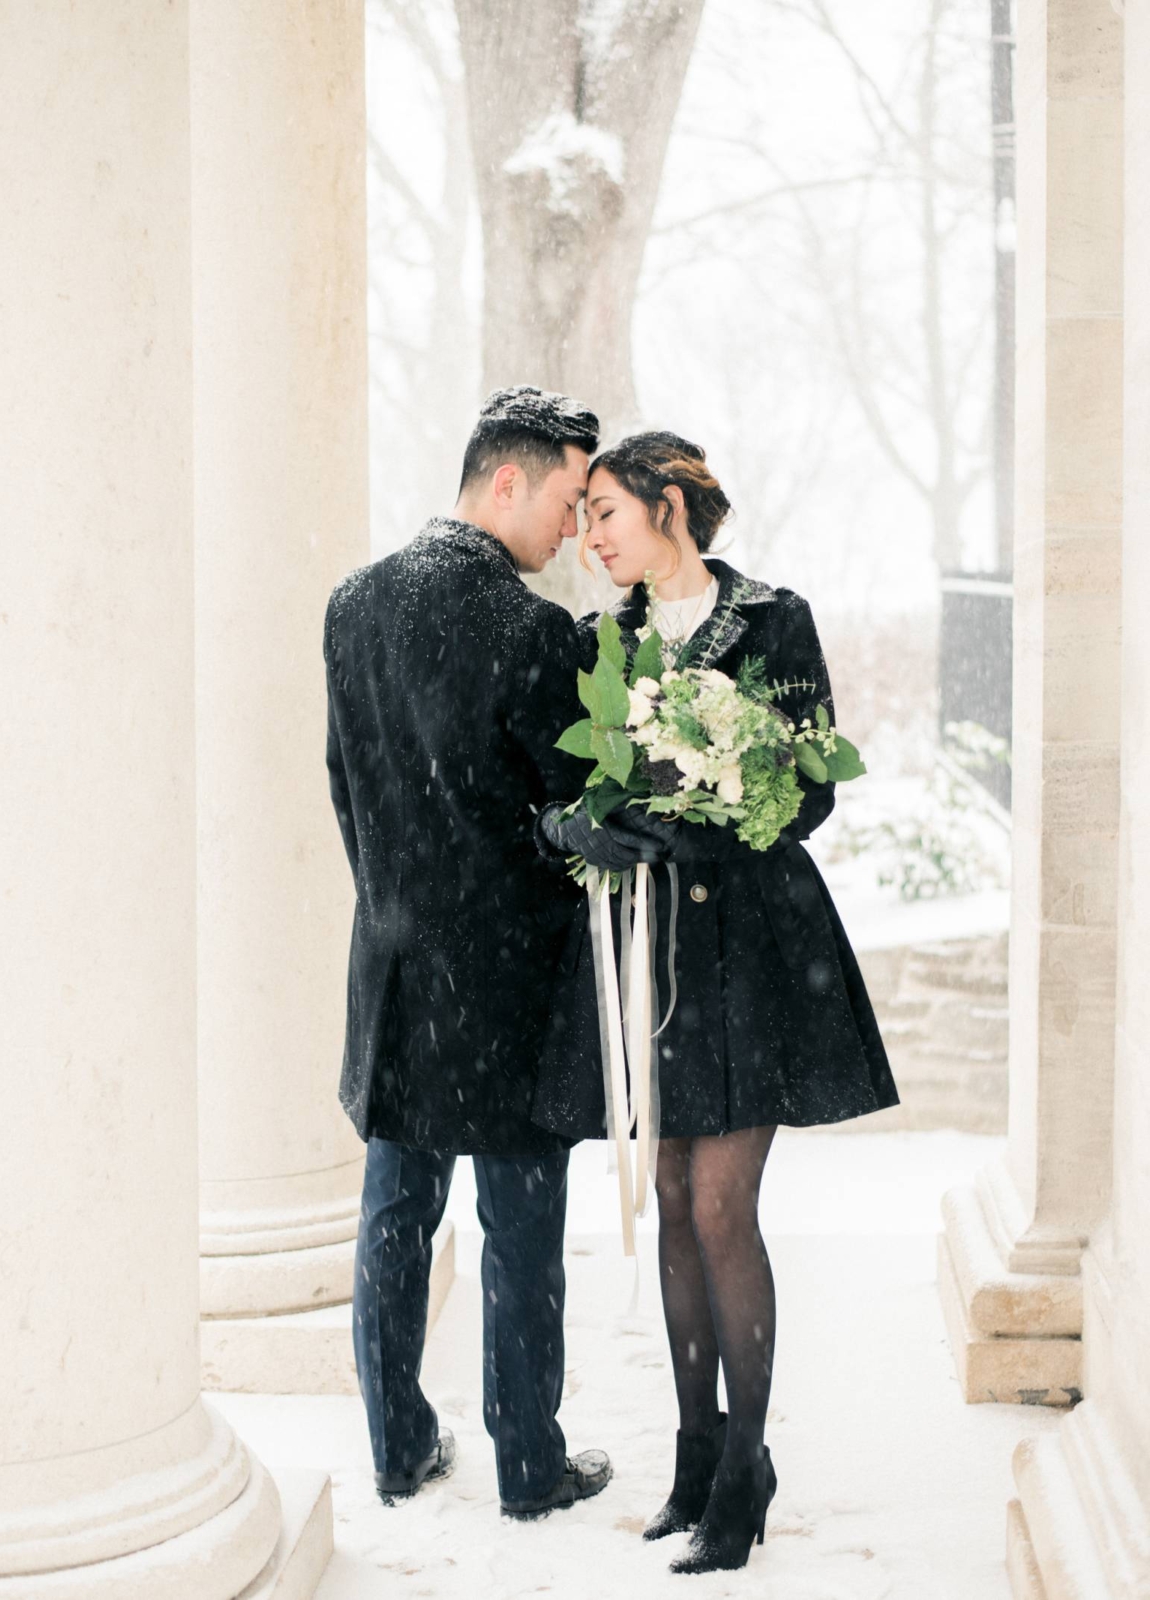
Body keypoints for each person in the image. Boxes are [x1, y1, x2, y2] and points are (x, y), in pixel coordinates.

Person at [536, 432, 900, 1573]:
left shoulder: (773, 621)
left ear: (671, 507)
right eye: (585, 515)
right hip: (658, 948)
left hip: (756, 944)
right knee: (674, 1188)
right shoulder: (609, 642)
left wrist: (699, 813)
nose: (590, 536)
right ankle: (693, 1455)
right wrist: (582, 826)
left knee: (720, 1202)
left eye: (606, 512)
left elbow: (804, 790)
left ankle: (746, 1463)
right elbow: (562, 787)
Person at [324, 386, 613, 1519]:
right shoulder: (530, 630)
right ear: (507, 480)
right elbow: (571, 806)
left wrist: (399, 896)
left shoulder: (352, 604)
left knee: (395, 1213)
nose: (571, 530)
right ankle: (527, 1467)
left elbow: (346, 786)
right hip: (509, 978)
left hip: (395, 968)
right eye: (566, 497)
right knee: (520, 1226)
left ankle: (398, 1446)